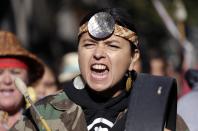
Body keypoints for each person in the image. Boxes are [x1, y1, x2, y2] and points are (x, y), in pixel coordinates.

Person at [11, 8, 188, 131]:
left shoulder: (156, 112)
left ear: (133, 57)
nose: (98, 54)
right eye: (89, 44)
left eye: (112, 46)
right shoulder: (43, 114)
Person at [0, 31, 44, 130]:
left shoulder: (47, 112)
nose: (7, 81)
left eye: (15, 72)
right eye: (0, 73)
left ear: (28, 78)